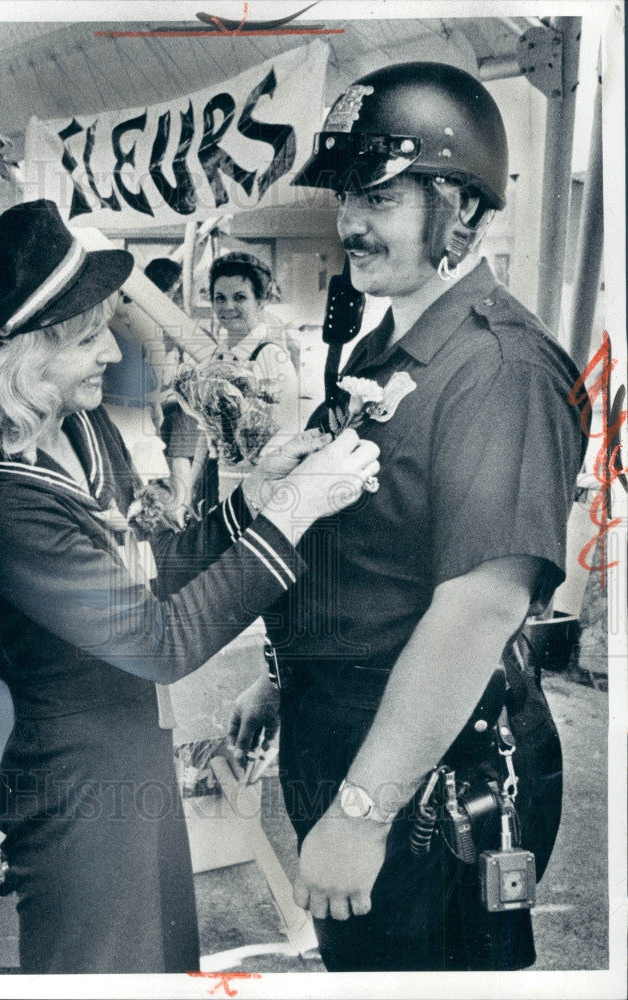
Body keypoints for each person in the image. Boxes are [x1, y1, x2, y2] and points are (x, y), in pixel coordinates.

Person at [0, 199, 381, 975]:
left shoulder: (79, 429)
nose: (112, 353)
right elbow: (158, 641)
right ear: (24, 355)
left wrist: (254, 500)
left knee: (164, 964)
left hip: (137, 757)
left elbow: (151, 569)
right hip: (77, 788)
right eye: (89, 336)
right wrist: (297, 512)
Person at [225, 62, 588, 971]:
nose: (351, 220)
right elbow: (373, 550)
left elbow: (478, 610)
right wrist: (285, 672)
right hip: (353, 726)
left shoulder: (497, 368)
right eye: (348, 193)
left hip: (430, 771)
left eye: (380, 193)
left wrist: (364, 810)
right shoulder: (392, 349)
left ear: (462, 208)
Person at [170, 251, 302, 513]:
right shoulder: (218, 356)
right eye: (220, 298)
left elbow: (288, 435)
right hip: (218, 479)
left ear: (261, 301)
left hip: (257, 488)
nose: (228, 307)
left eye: (239, 297)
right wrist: (189, 491)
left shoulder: (271, 355)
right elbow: (206, 432)